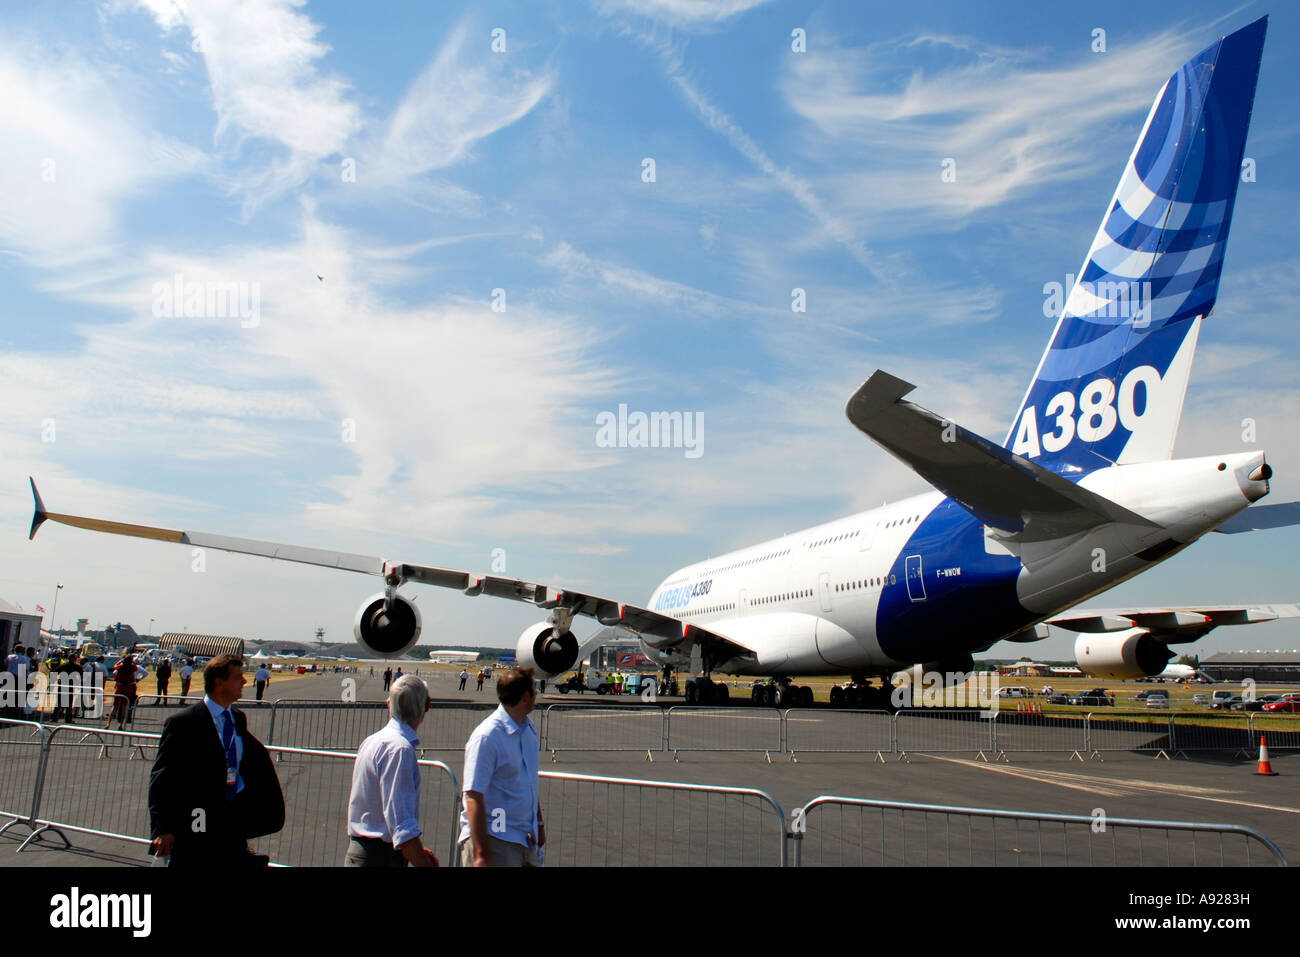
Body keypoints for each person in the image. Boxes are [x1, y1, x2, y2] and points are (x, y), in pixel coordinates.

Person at [148, 654, 284, 867]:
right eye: (238, 677)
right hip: (196, 821)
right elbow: (162, 778)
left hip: (230, 822)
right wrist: (162, 829)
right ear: (219, 683)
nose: (245, 681)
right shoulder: (183, 723)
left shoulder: (237, 718)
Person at [344, 675, 440, 867]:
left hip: (365, 852)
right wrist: (420, 859)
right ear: (427, 705)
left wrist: (415, 850)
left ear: (389, 704)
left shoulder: (372, 741)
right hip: (380, 858)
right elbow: (401, 824)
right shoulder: (400, 750)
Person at [459, 668, 544, 867]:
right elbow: (473, 795)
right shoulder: (488, 737)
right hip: (495, 839)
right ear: (525, 697)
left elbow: (530, 782)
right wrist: (481, 853)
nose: (537, 694)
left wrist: (538, 823)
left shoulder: (528, 729)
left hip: (523, 837)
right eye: (534, 690)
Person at [106, 654, 137, 730]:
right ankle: (121, 724)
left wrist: (121, 661)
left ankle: (108, 723)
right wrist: (132, 662)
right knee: (124, 707)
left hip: (119, 687)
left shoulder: (120, 667)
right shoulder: (132, 668)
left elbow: (115, 666)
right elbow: (135, 667)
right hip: (127, 687)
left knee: (115, 706)